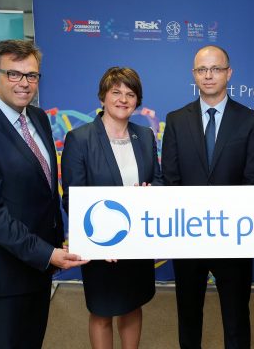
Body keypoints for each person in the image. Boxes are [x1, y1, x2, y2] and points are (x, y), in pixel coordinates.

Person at [0, 39, 87, 349]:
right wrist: (46, 253)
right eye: (14, 74)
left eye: (32, 76)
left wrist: (53, 247)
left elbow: (43, 190)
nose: (24, 84)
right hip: (7, 270)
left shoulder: (37, 118)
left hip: (40, 264)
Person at [161, 45, 254, 349]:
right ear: (193, 74)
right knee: (188, 314)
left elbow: (253, 179)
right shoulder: (176, 119)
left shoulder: (251, 120)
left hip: (233, 238)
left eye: (216, 69)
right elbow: (171, 178)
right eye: (201, 70)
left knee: (236, 316)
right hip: (188, 236)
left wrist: (228, 222)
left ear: (229, 73)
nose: (208, 75)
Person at [61, 67, 162, 349]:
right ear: (103, 96)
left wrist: (152, 191)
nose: (123, 99)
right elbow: (72, 197)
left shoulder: (145, 136)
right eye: (116, 92)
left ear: (137, 101)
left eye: (130, 94)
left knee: (133, 305)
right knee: (102, 312)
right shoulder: (80, 139)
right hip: (102, 245)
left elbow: (159, 179)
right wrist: (100, 243)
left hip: (138, 242)